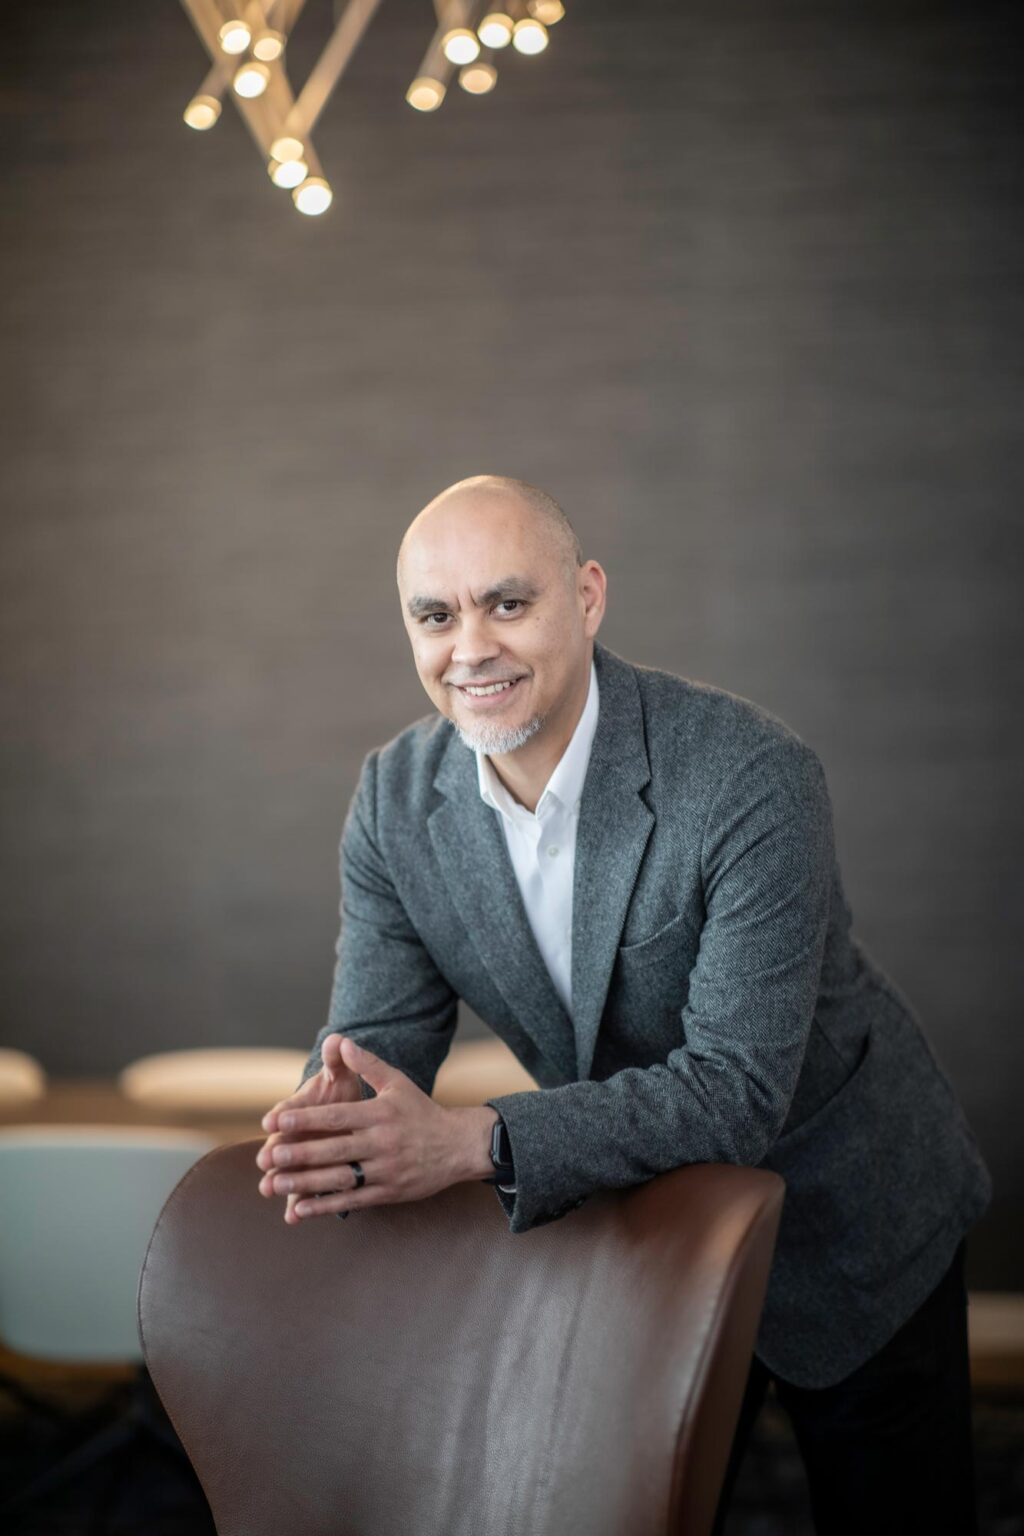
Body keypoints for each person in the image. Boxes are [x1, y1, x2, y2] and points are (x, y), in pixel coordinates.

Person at [255, 474, 992, 1534]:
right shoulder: (393, 801)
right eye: (436, 616)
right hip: (640, 1227)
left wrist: (472, 1142)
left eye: (508, 603)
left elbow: (734, 1091)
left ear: (588, 596)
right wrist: (333, 1118)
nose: (471, 648)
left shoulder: (749, 775)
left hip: (850, 1216)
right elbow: (375, 1040)